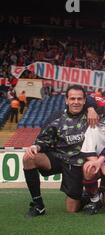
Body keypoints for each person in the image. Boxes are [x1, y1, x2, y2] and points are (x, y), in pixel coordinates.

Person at [22, 85, 91, 217]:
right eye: (72, 99)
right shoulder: (56, 117)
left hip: (77, 163)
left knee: (72, 209)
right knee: (29, 158)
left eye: (79, 99)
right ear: (66, 100)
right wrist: (36, 147)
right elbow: (44, 140)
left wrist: (92, 108)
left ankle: (86, 196)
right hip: (58, 158)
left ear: (84, 100)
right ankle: (38, 205)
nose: (76, 102)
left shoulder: (92, 116)